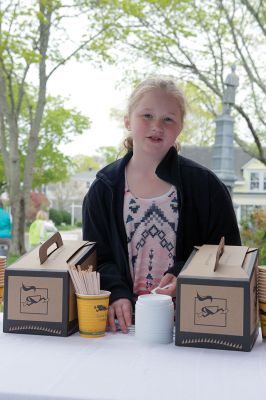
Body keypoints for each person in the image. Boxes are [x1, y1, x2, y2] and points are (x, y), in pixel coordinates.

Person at [82, 77, 241, 333]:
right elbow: (97, 257)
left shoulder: (206, 186)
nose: (157, 126)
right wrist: (115, 293)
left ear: (179, 128)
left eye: (168, 119)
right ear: (127, 121)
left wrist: (185, 273)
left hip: (193, 323)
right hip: (123, 328)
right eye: (147, 115)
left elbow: (229, 253)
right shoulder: (104, 188)